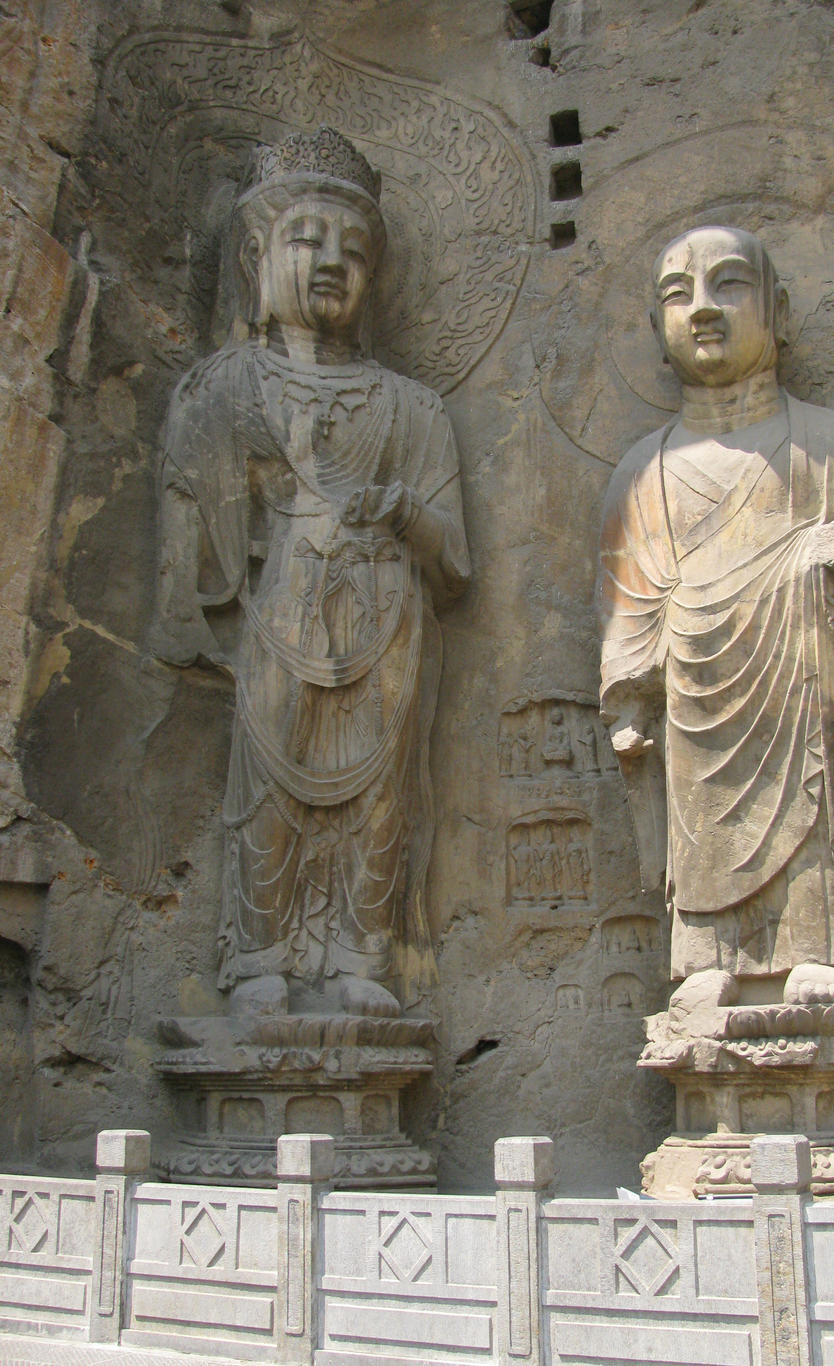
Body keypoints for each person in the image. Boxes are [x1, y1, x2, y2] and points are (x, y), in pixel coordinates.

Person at [153, 127, 470, 1018]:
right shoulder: (221, 389)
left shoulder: (412, 407)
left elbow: (455, 561)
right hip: (281, 609)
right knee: (269, 787)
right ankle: (260, 960)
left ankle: (360, 958)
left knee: (379, 794)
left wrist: (404, 512)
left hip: (386, 611)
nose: (332, 262)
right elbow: (194, 528)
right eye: (306, 240)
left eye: (353, 249)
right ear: (258, 256)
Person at [598, 226, 834, 1008]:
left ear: (779, 310)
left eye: (729, 285)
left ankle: (827, 944)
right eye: (679, 294)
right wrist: (631, 689)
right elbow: (625, 607)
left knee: (818, 776)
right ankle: (707, 957)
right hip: (697, 705)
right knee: (699, 813)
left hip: (806, 692)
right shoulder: (645, 470)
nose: (703, 310)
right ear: (654, 328)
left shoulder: (832, 444)